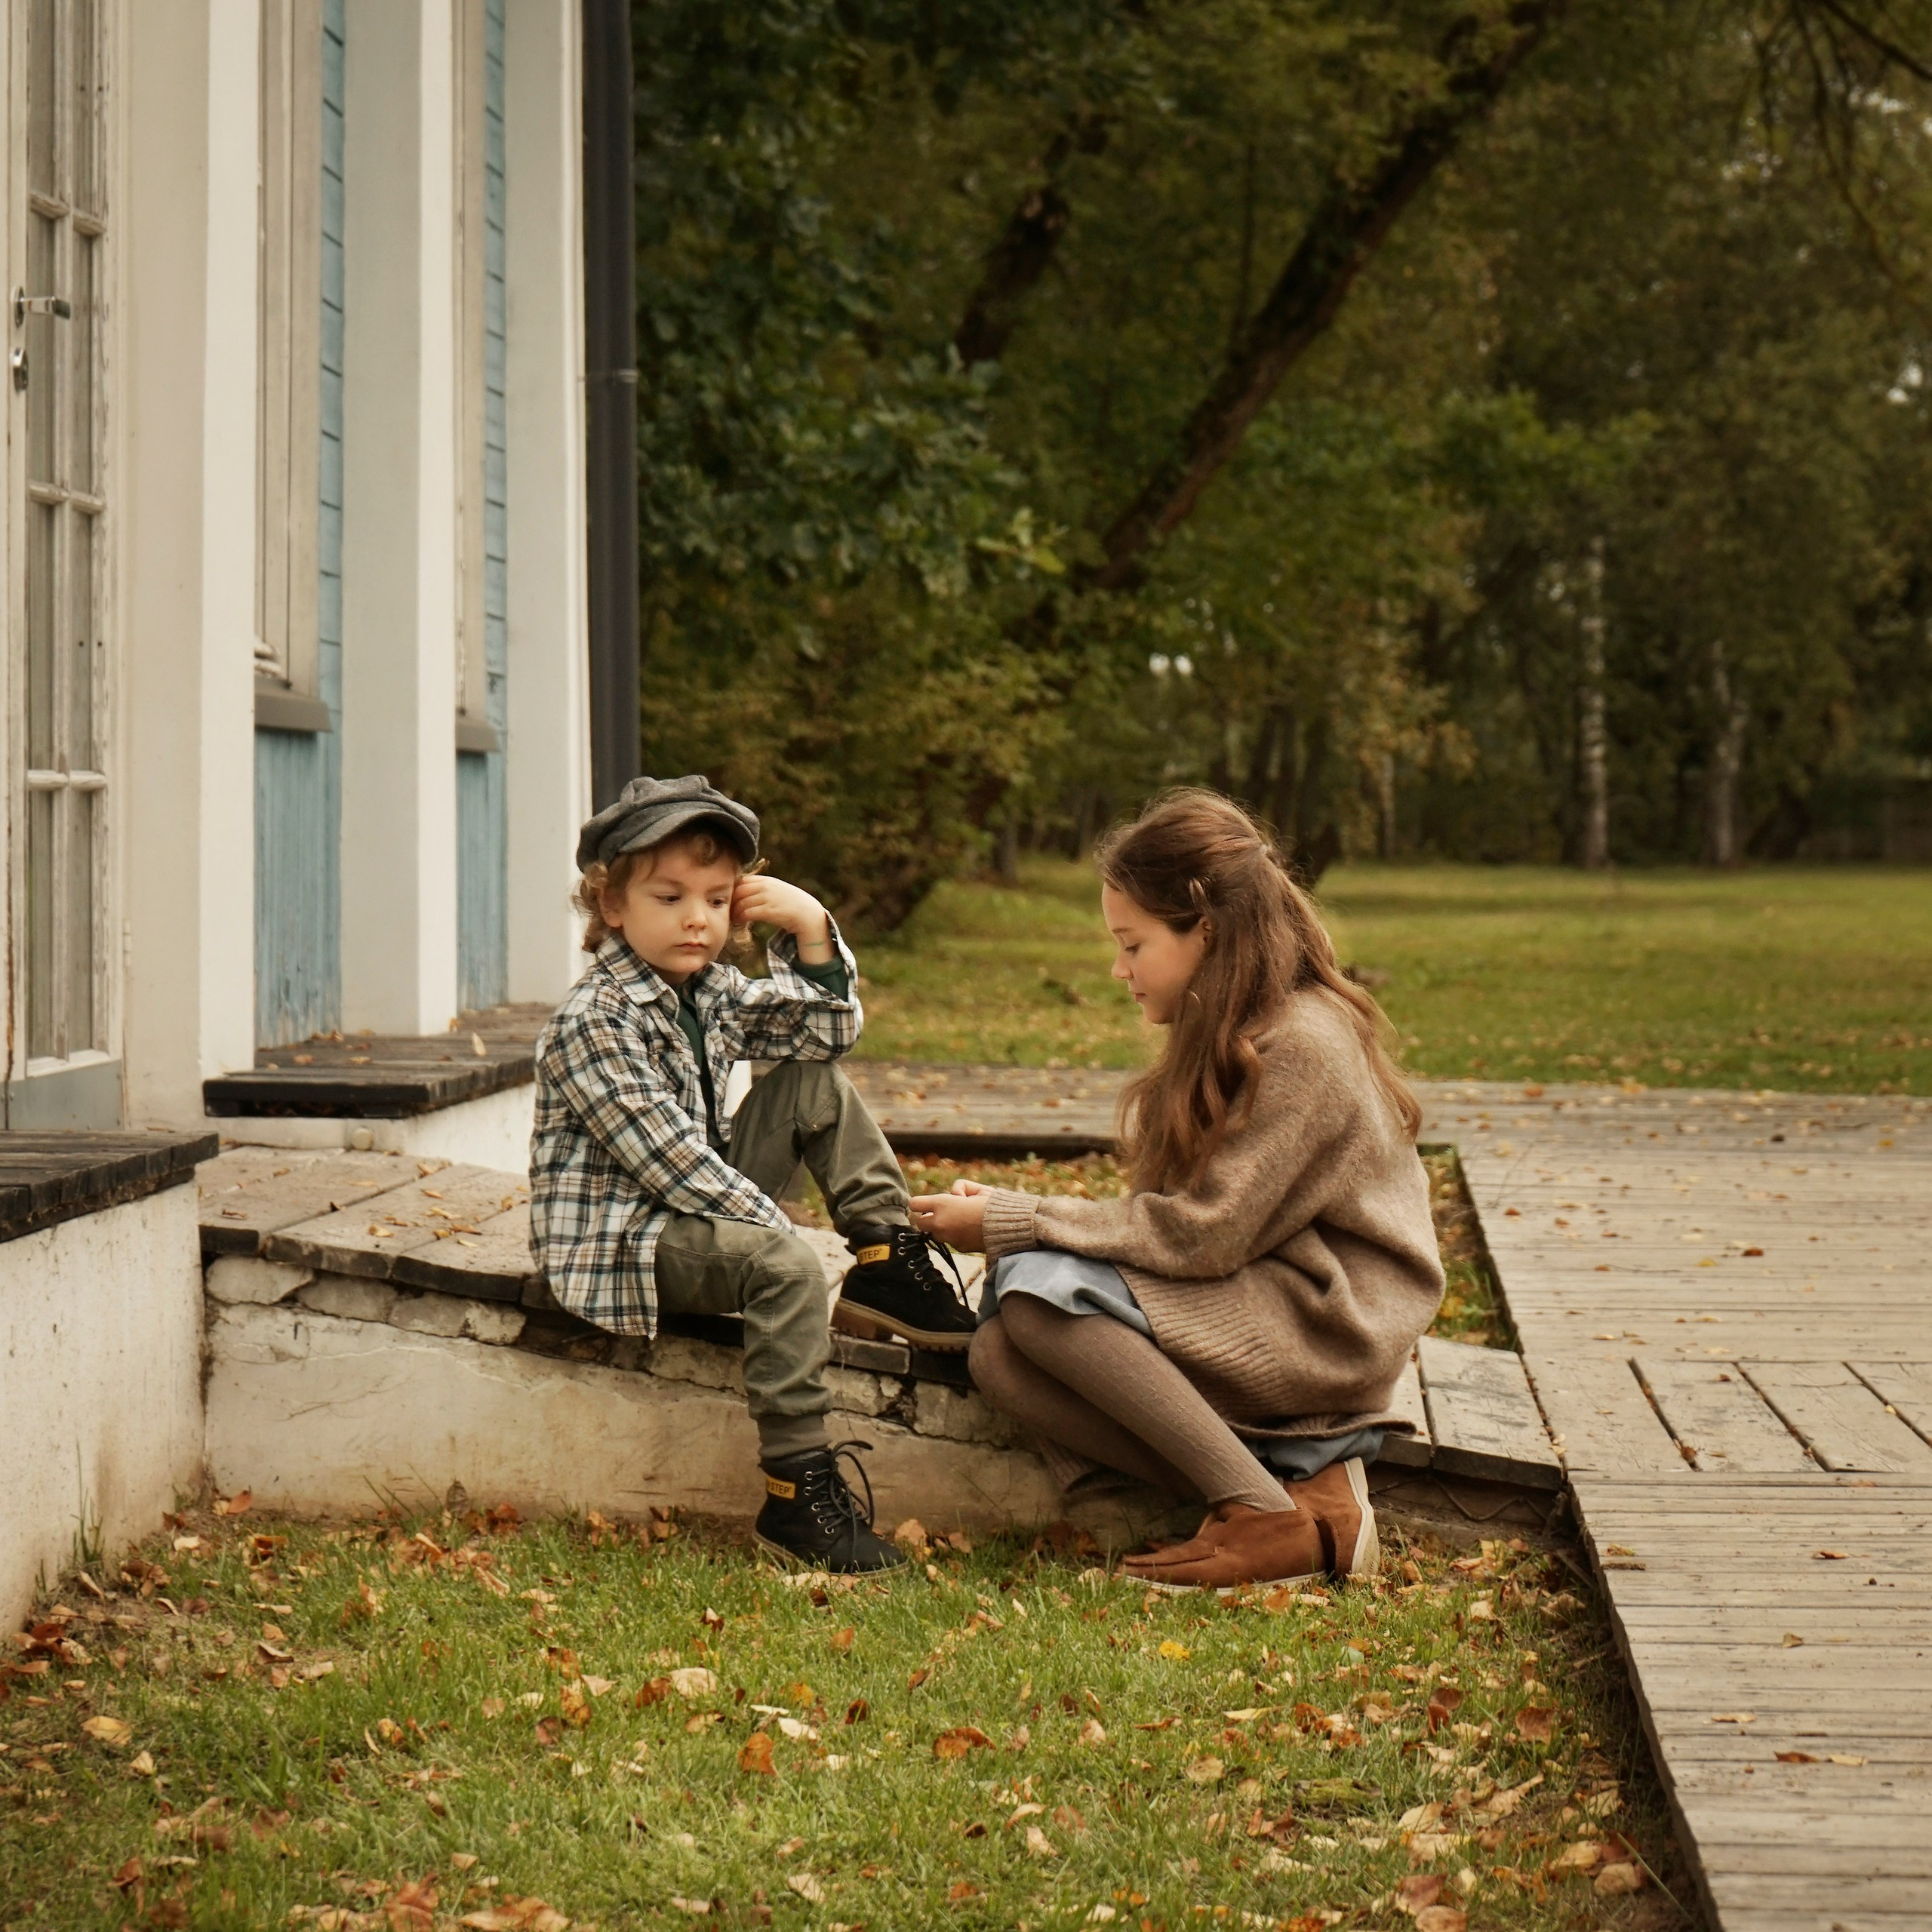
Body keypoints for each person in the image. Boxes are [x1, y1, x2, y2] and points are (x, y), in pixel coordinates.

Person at [912, 789, 1444, 1593]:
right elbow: (1180, 1223)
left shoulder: (1302, 1042)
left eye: (1133, 944)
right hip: (1267, 1287)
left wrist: (1014, 1222)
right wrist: (1016, 1214)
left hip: (1329, 1319)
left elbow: (1200, 1235)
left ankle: (1263, 1517)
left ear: (1206, 930)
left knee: (1034, 1296)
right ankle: (1294, 1492)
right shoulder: (1241, 1025)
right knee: (998, 1355)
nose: (1117, 969)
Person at [528, 774, 976, 1574]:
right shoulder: (593, 1019)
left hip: (685, 1200)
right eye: (668, 896)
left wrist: (808, 921)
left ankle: (882, 1262)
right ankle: (796, 1495)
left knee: (813, 1084)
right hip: (622, 1238)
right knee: (783, 1268)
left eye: (714, 896)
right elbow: (671, 1164)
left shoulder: (711, 990)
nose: (695, 917)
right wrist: (783, 1235)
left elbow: (829, 1032)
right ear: (612, 907)